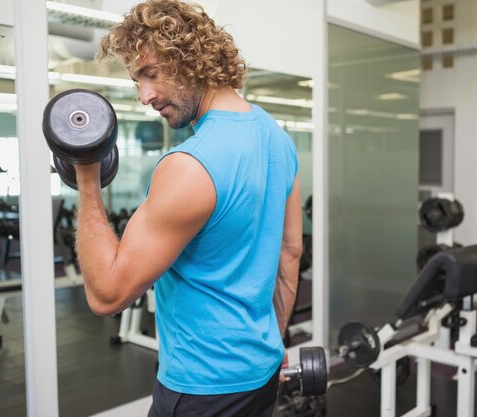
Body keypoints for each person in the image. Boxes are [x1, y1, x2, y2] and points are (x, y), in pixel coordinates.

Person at [73, 1, 302, 416]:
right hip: (262, 370)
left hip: (202, 388)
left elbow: (107, 295)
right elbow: (290, 254)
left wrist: (86, 177)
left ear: (191, 60)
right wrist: (275, 342)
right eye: (136, 81)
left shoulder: (189, 165)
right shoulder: (278, 139)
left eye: (150, 73)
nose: (145, 96)